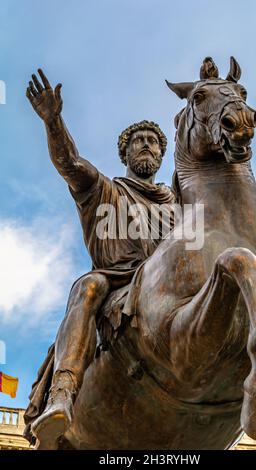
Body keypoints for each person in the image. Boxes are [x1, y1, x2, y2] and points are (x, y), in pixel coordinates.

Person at [24, 69, 176, 448]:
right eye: (137, 141)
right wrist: (53, 120)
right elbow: (70, 163)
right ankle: (62, 391)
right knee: (88, 285)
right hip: (117, 282)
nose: (145, 145)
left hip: (172, 286)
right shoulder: (104, 189)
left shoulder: (180, 205)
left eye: (152, 142)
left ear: (160, 155)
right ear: (125, 153)